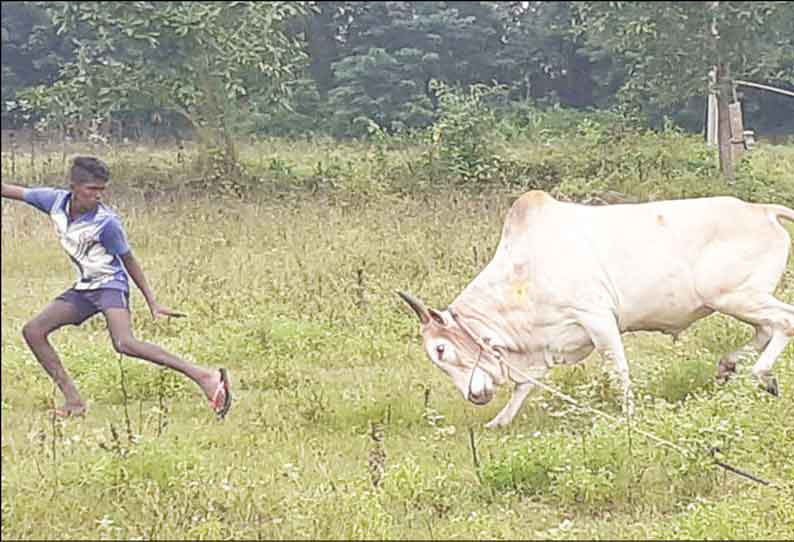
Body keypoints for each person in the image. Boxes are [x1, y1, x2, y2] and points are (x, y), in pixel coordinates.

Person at [1, 156, 232, 418]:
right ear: (73, 187)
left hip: (111, 285)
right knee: (33, 331)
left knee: (125, 343)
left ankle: (205, 376)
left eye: (102, 190)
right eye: (91, 189)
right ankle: (74, 402)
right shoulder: (53, 201)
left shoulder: (106, 222)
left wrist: (151, 301)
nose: (97, 196)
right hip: (85, 288)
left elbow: (129, 260)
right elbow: (10, 190)